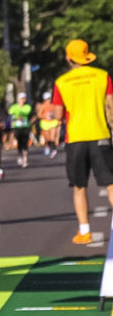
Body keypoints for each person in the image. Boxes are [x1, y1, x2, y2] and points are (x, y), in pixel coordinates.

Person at [53, 39, 113, 244]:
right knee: (111, 183)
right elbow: (111, 106)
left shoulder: (61, 82)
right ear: (87, 55)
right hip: (100, 134)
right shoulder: (102, 76)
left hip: (76, 138)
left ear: (68, 57)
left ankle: (84, 231)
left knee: (79, 186)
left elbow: (58, 113)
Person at [9, 93, 33, 168]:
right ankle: (19, 155)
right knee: (19, 141)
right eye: (20, 98)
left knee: (25, 142)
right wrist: (15, 119)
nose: (22, 100)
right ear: (18, 99)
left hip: (25, 126)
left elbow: (28, 114)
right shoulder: (13, 107)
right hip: (17, 127)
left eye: (23, 98)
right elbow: (10, 115)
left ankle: (25, 160)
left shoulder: (28, 107)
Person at [37, 91, 61, 158]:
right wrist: (45, 116)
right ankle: (47, 145)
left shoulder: (53, 105)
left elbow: (57, 112)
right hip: (45, 123)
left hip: (52, 122)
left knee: (52, 137)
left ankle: (54, 150)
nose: (49, 100)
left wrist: (55, 116)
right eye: (47, 99)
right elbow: (39, 115)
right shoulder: (43, 105)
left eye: (49, 98)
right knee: (47, 138)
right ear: (45, 99)